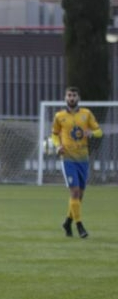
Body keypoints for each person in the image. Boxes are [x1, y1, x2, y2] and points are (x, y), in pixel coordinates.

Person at [51, 86, 102, 239]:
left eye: (74, 95)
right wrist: (57, 146)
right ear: (65, 98)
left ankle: (67, 222)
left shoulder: (86, 114)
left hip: (83, 159)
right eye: (69, 95)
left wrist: (91, 133)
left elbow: (100, 132)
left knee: (79, 196)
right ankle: (80, 226)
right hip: (68, 159)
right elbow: (54, 135)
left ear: (78, 98)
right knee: (74, 192)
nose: (71, 98)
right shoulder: (59, 116)